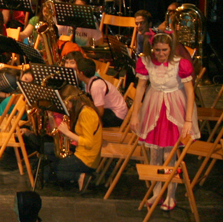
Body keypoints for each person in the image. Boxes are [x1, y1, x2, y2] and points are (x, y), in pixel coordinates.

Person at [130, 32, 199, 212]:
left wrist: (188, 120)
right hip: (154, 108)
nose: (161, 54)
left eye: (164, 50)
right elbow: (140, 89)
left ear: (171, 48)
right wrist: (135, 115)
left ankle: (171, 194)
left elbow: (190, 93)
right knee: (154, 154)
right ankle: (157, 192)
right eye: (158, 50)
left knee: (170, 155)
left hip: (174, 109)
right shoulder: (147, 62)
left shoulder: (179, 64)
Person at [44, 86, 102, 190]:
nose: (67, 108)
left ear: (74, 100)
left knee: (46, 171)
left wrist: (67, 133)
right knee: (47, 149)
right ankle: (71, 173)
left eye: (67, 105)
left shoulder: (86, 114)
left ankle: (79, 176)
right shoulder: (84, 110)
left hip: (86, 159)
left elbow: (89, 143)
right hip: (82, 152)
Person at [76, 58, 127, 127]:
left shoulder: (95, 86)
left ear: (81, 73)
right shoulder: (89, 82)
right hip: (110, 110)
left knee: (84, 121)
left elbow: (100, 111)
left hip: (117, 115)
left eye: (77, 71)